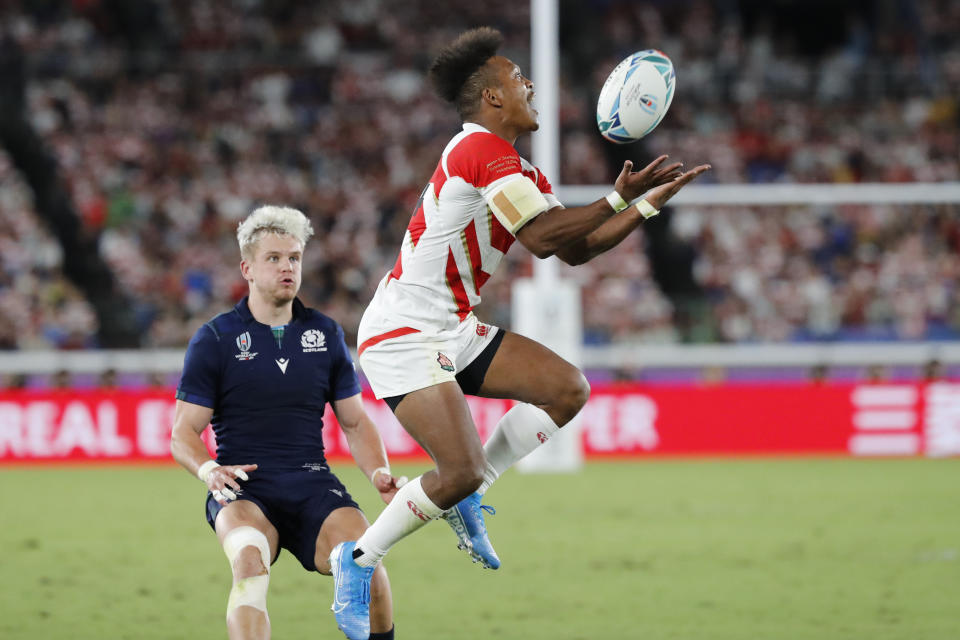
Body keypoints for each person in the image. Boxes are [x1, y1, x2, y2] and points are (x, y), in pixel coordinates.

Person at [327, 26, 711, 632]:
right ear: (492, 99)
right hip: (402, 332)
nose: (529, 85)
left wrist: (643, 206)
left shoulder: (521, 173)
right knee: (455, 471)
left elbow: (574, 250)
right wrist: (614, 200)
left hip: (451, 326)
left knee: (567, 390)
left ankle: (471, 492)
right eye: (517, 79)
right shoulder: (476, 150)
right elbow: (543, 236)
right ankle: (358, 560)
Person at [170, 205, 401, 640]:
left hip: (312, 481)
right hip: (243, 488)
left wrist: (379, 473)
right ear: (248, 268)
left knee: (366, 566)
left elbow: (354, 422)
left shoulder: (326, 334)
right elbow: (183, 432)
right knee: (249, 566)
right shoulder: (215, 339)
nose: (286, 267)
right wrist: (209, 470)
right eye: (273, 258)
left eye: (293, 257)